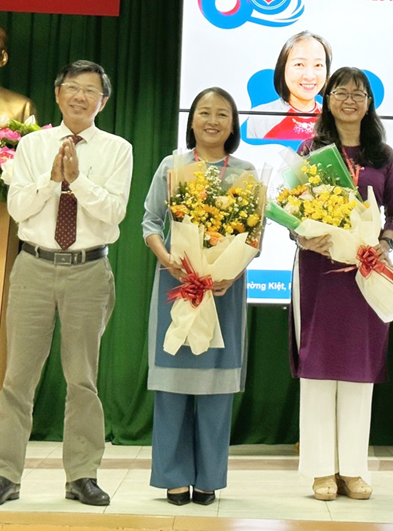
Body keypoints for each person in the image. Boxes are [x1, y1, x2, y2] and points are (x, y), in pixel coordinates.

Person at [0, 61, 133, 508]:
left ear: (103, 101)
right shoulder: (32, 145)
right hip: (34, 266)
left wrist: (77, 181)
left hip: (89, 269)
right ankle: (4, 476)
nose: (80, 96)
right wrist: (51, 180)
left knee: (82, 379)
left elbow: (114, 212)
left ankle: (82, 475)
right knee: (17, 378)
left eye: (90, 90)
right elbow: (18, 208)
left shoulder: (118, 149)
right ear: (58, 94)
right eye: (72, 88)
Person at [291, 67, 393, 502]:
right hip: (318, 270)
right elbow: (291, 208)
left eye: (359, 93)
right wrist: (302, 235)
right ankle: (321, 470)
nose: (350, 100)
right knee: (318, 367)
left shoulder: (383, 155)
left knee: (359, 368)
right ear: (328, 99)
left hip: (366, 271)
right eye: (341, 91)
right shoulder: (310, 150)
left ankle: (353, 470)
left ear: (369, 103)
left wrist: (385, 243)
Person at [142, 87, 254, 506]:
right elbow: (150, 222)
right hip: (177, 285)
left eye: (222, 114)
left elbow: (253, 235)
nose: (212, 121)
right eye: (204, 112)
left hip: (224, 291)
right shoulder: (171, 166)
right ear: (191, 121)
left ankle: (209, 478)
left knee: (215, 387)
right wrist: (167, 257)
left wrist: (231, 271)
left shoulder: (244, 171)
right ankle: (172, 476)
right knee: (172, 386)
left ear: (233, 124)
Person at [246, 31, 331, 141]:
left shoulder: (334, 119)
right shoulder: (259, 117)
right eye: (299, 64)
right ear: (283, 68)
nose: (309, 76)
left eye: (318, 65)